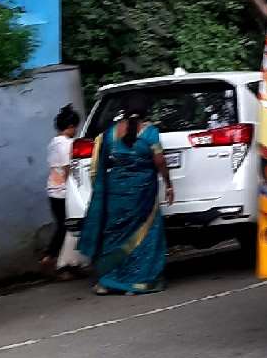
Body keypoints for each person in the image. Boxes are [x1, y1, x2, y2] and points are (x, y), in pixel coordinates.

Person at [77, 98, 174, 295]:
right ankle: (137, 282)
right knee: (145, 235)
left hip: (116, 192)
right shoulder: (149, 132)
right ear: (145, 112)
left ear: (124, 111)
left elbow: (100, 166)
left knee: (114, 236)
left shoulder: (110, 133)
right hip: (142, 192)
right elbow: (159, 160)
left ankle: (106, 282)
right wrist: (168, 183)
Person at [43, 104, 81, 277]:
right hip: (63, 191)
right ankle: (51, 258)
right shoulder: (67, 144)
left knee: (64, 226)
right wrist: (74, 189)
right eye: (75, 128)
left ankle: (64, 262)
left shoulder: (53, 142)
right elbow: (67, 168)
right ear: (71, 126)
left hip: (53, 190)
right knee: (67, 227)